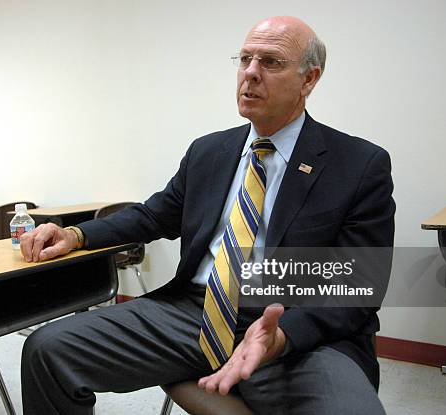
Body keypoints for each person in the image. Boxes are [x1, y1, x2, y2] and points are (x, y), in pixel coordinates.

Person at [20, 15, 394, 415]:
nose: (250, 73)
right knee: (47, 350)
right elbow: (152, 216)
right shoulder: (208, 152)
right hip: (192, 312)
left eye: (270, 62)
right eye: (245, 59)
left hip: (294, 325)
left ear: (309, 80)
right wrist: (76, 235)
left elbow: (356, 283)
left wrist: (281, 336)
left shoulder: (357, 164)